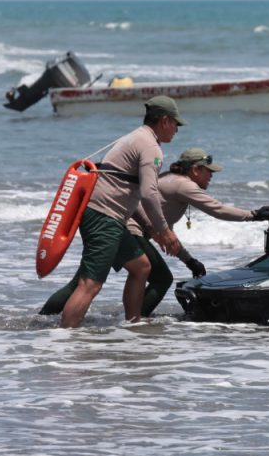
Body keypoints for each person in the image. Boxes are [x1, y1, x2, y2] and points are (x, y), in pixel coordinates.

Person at [41, 148, 269, 317]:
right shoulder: (184, 185)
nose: (211, 176)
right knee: (161, 278)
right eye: (208, 171)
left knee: (80, 283)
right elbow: (217, 209)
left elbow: (165, 232)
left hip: (119, 226)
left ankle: (42, 320)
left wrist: (189, 260)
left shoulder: (172, 182)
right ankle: (135, 321)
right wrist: (253, 214)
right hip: (128, 230)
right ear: (195, 169)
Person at [52, 96, 185, 328]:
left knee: (141, 266)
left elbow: (129, 197)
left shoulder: (136, 137)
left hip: (103, 213)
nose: (176, 130)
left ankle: (133, 325)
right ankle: (65, 338)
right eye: (176, 124)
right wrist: (165, 231)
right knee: (89, 284)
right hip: (104, 217)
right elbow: (149, 193)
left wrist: (152, 229)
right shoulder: (151, 147)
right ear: (164, 121)